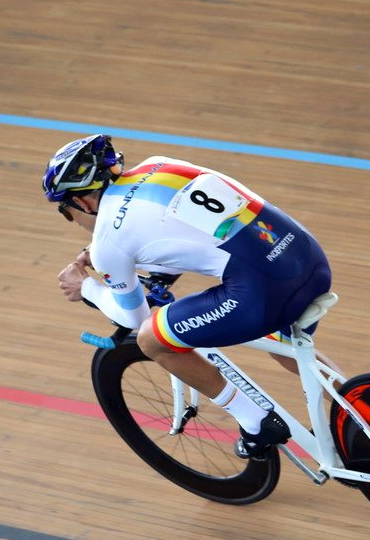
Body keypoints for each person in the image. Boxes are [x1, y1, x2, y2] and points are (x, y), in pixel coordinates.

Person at [45, 134, 333, 460]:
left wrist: (86, 287)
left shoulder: (108, 242)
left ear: (81, 203)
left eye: (65, 211)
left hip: (264, 291)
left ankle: (257, 422)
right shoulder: (158, 165)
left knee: (152, 339)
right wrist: (116, 260)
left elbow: (134, 318)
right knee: (281, 344)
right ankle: (363, 408)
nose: (72, 219)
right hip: (308, 258)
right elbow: (177, 236)